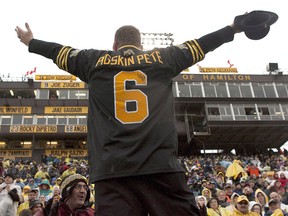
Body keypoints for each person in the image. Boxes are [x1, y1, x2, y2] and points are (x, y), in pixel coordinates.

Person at [15, 13, 267, 215]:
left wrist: (31, 42)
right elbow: (202, 45)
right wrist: (234, 27)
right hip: (161, 167)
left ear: (114, 45)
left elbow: (59, 51)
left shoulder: (93, 61)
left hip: (113, 170)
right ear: (141, 45)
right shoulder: (163, 58)